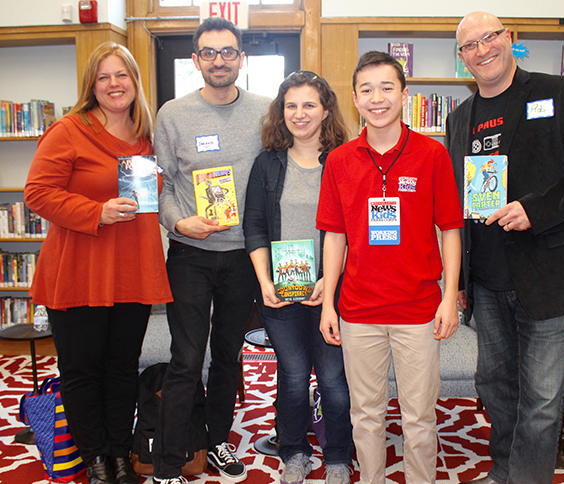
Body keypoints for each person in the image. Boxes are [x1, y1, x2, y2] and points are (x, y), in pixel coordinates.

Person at [446, 11, 564, 484]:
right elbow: (458, 209)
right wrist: (460, 282)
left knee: (542, 400)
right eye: (470, 46)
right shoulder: (460, 120)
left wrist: (534, 209)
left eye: (490, 38)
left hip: (549, 274)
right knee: (496, 388)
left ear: (509, 39)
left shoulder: (556, 92)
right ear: (461, 58)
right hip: (487, 282)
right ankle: (505, 473)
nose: (482, 50)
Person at [24, 41, 173, 484]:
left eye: (122, 75)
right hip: (79, 271)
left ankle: (119, 453)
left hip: (131, 272)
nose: (114, 84)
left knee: (123, 367)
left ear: (135, 81)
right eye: (104, 76)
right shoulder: (69, 131)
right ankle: (94, 458)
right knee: (82, 370)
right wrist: (96, 212)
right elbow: (37, 193)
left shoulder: (149, 135)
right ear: (92, 84)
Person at [317, 51, 464, 484]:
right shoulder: (340, 161)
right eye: (367, 90)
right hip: (358, 309)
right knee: (366, 416)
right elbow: (335, 236)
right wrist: (329, 304)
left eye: (387, 88)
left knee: (419, 417)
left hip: (419, 309)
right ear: (355, 99)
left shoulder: (431, 155)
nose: (377, 98)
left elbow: (451, 230)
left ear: (404, 95)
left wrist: (449, 297)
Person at [151, 16, 271, 484]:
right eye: (209, 52)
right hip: (190, 255)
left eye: (227, 52)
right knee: (186, 358)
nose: (219, 60)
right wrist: (178, 220)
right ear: (196, 59)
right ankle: (167, 465)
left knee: (227, 355)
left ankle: (217, 440)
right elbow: (159, 189)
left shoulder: (266, 111)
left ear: (241, 58)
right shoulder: (172, 114)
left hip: (243, 256)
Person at [243, 70, 354, 484]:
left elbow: (355, 228)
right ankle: (293, 451)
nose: (299, 113)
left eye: (309, 104)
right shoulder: (266, 163)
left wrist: (330, 279)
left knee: (332, 378)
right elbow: (253, 224)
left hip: (334, 290)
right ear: (281, 111)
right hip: (279, 291)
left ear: (326, 110)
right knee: (291, 376)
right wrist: (265, 280)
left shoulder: (346, 160)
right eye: (291, 105)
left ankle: (339, 456)